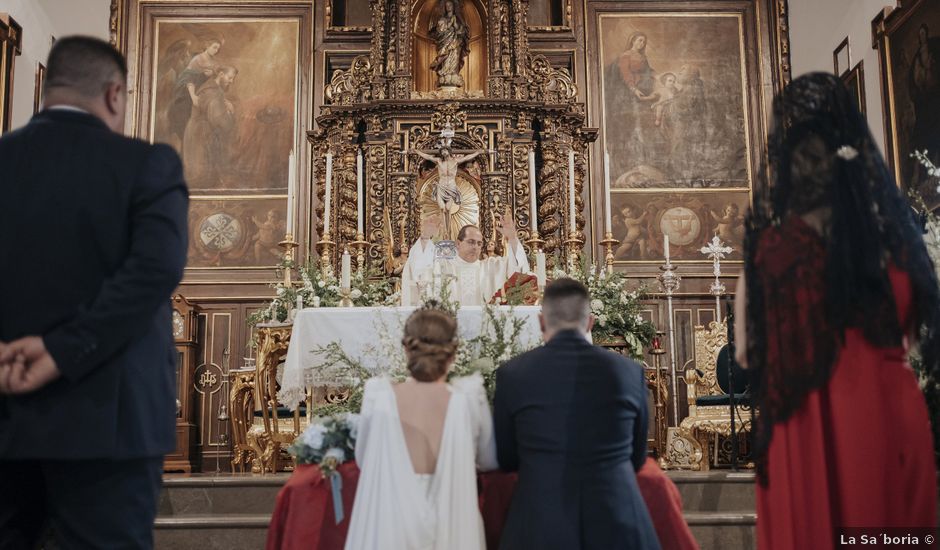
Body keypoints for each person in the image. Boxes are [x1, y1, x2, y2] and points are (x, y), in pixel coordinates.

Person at [734, 72, 938, 549]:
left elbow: (746, 354)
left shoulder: (767, 256)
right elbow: (915, 335)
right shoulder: (898, 245)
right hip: (890, 421)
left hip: (804, 433)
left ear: (787, 175)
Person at [0, 36, 189, 548]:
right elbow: (154, 270)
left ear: (48, 91)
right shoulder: (147, 165)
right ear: (113, 95)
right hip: (110, 424)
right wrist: (62, 350)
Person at [493, 278, 660, 550]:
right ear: (590, 323)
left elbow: (507, 458)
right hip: (618, 519)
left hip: (539, 522)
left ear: (541, 322)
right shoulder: (629, 372)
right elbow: (637, 456)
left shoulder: (512, 374)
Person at [344, 308, 498, 550]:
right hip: (452, 522)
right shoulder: (469, 399)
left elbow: (364, 459)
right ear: (453, 351)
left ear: (406, 347)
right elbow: (489, 461)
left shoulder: (379, 397)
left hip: (391, 523)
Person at [400, 212, 530, 306]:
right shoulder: (443, 267)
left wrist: (512, 239)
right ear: (458, 243)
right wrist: (425, 237)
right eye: (471, 242)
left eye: (479, 244)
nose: (475, 247)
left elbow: (518, 272)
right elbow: (419, 272)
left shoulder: (491, 267)